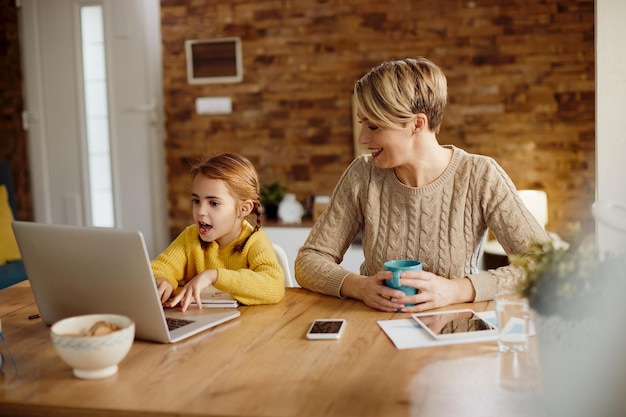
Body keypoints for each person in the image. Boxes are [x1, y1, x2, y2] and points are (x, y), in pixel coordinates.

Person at [294, 57, 549, 313]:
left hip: (454, 330)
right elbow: (308, 261)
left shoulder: (480, 175)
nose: (363, 138)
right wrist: (358, 286)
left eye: (374, 126)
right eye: (363, 124)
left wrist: (456, 289)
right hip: (372, 330)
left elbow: (543, 263)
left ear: (416, 124)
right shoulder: (363, 175)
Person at [151, 153, 285, 311]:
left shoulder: (255, 241)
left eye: (213, 203)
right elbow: (159, 267)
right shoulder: (190, 237)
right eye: (196, 201)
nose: (201, 211)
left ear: (243, 209)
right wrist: (162, 279)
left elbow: (274, 286)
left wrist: (214, 276)